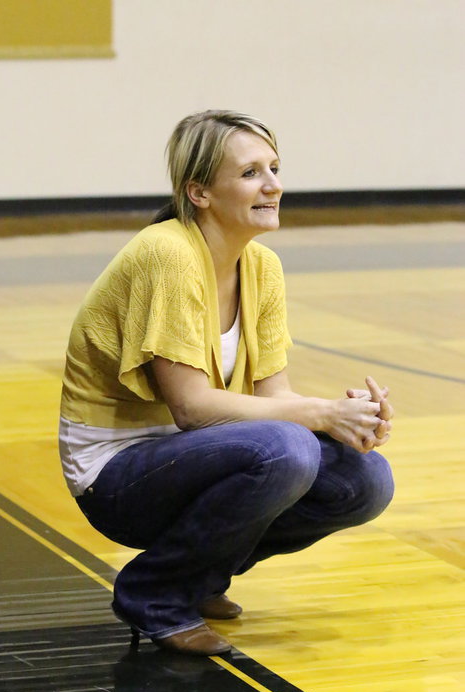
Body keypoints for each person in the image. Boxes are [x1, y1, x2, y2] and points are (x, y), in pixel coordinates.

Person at [59, 110, 394, 657]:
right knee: (287, 449)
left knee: (366, 479)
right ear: (199, 193)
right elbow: (191, 408)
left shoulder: (262, 267)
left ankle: (200, 575)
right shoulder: (166, 254)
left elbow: (272, 399)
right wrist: (317, 415)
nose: (274, 185)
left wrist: (342, 415)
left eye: (276, 167)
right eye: (251, 173)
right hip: (116, 475)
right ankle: (155, 593)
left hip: (195, 456)